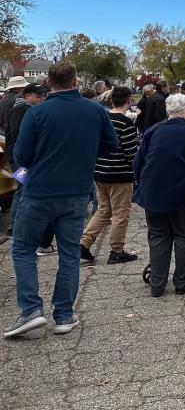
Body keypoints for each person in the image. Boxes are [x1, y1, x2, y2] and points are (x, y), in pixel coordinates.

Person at [4, 62, 118, 338]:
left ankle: (31, 308)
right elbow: (111, 145)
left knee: (23, 249)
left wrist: (24, 179)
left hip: (39, 191)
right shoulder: (95, 111)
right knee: (68, 254)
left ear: (48, 85)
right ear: (76, 82)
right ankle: (64, 314)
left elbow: (22, 156)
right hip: (77, 192)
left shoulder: (37, 113)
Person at [133, 93, 185, 297]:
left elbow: (138, 162)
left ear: (168, 111)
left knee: (158, 236)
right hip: (182, 192)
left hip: (154, 192)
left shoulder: (153, 131)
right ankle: (181, 282)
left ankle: (157, 284)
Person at [79, 86, 139, 265]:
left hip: (100, 171)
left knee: (103, 209)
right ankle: (117, 250)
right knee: (121, 213)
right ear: (129, 101)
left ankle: (84, 242)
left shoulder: (102, 119)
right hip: (119, 174)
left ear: (111, 100)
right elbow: (131, 153)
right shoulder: (126, 123)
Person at [2, 84, 48, 246]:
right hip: (18, 159)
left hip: (17, 157)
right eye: (38, 96)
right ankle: (14, 225)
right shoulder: (21, 110)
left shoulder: (22, 108)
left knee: (22, 189)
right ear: (28, 95)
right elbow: (18, 136)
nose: (42, 99)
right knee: (22, 189)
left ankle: (16, 224)